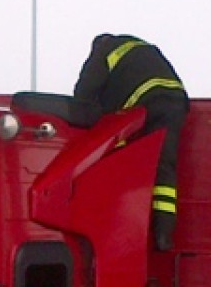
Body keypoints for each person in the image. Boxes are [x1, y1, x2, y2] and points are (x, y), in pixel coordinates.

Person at [69, 34, 190, 252]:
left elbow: (83, 94)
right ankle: (163, 233)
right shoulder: (138, 47)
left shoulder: (104, 51)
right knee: (164, 166)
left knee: (119, 156)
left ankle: (125, 223)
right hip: (176, 101)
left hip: (145, 100)